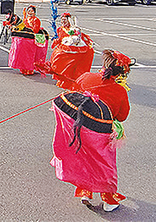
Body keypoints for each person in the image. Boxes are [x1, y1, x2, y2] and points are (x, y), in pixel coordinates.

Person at [51, 49, 132, 212]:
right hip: (100, 132)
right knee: (104, 164)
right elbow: (122, 116)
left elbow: (73, 93)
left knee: (84, 158)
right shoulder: (119, 90)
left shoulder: (86, 77)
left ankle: (85, 192)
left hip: (78, 127)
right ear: (121, 73)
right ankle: (108, 199)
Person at [8, 5, 48, 75]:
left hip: (31, 40)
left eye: (31, 11)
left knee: (30, 55)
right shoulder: (25, 20)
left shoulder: (36, 20)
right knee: (23, 54)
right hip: (25, 39)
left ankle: (30, 69)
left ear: (34, 12)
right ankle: (23, 67)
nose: (30, 12)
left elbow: (35, 30)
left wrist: (27, 28)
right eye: (28, 11)